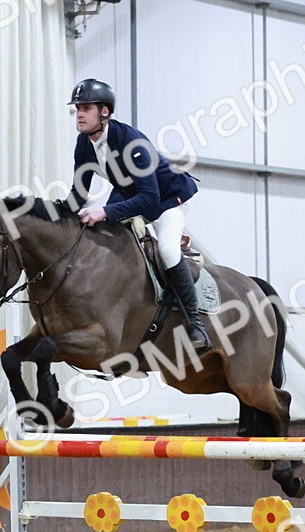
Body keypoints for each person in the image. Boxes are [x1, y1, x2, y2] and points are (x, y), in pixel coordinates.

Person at [66, 78, 211, 352]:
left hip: (166, 199)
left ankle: (196, 325)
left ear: (104, 111)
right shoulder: (84, 144)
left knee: (167, 250)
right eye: (77, 108)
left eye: (86, 107)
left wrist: (105, 211)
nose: (80, 114)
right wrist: (56, 217)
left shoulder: (132, 142)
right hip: (132, 195)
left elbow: (149, 199)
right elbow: (77, 196)